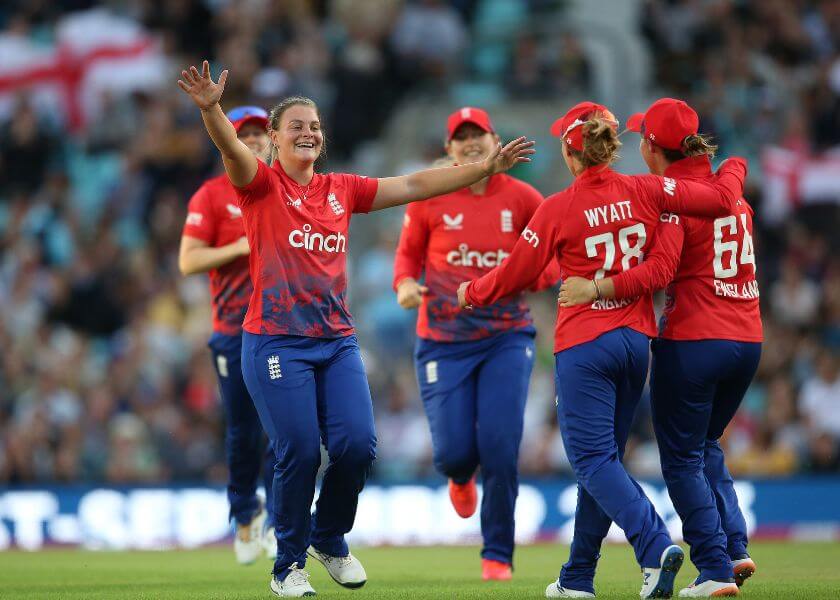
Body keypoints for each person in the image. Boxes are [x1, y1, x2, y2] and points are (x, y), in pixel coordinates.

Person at [178, 61, 534, 598]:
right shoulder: (259, 184)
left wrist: (480, 171)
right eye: (295, 125)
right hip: (275, 341)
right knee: (298, 450)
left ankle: (329, 538)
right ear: (272, 140)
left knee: (359, 447)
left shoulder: (342, 189)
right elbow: (230, 147)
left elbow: (415, 183)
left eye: (314, 125)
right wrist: (211, 108)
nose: (308, 132)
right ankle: (288, 566)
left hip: (336, 341)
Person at [457, 101, 748, 599]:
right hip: (636, 343)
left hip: (584, 346)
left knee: (592, 461)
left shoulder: (558, 207)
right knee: (604, 462)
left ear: (572, 156)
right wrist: (734, 166)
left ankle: (654, 545)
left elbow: (517, 273)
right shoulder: (648, 189)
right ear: (609, 148)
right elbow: (716, 203)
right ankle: (577, 577)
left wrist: (472, 292)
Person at [557, 98, 761, 598]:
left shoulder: (671, 201)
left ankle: (713, 568)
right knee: (705, 443)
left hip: (694, 338)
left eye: (641, 138)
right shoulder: (729, 188)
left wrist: (597, 287)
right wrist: (733, 166)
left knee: (681, 459)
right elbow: (733, 170)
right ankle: (734, 547)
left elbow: (661, 272)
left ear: (651, 145)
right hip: (749, 340)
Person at [393, 107, 560, 581]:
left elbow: (551, 259)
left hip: (506, 335)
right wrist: (405, 285)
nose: (469, 143)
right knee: (453, 454)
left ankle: (498, 555)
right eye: (460, 137)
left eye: (477, 135)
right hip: (442, 339)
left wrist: (529, 274)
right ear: (449, 149)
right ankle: (460, 477)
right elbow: (406, 257)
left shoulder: (525, 198)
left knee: (502, 445)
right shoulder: (429, 195)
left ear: (494, 140)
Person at [179, 105, 276, 565]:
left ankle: (281, 518)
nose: (254, 140)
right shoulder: (212, 195)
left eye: (261, 133)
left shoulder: (290, 188)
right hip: (233, 330)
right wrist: (239, 245)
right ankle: (244, 515)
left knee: (287, 431)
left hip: (284, 329)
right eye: (246, 134)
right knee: (243, 430)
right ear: (227, 141)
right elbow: (188, 261)